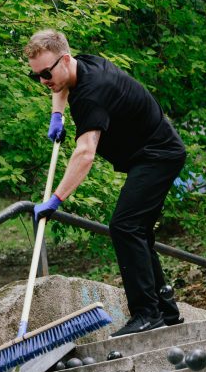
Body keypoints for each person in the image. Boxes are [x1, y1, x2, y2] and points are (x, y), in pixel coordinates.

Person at [25, 29, 187, 336]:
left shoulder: (91, 92)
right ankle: (166, 309)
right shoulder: (77, 67)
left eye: (46, 73)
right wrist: (56, 115)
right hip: (150, 152)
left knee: (124, 226)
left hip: (158, 154)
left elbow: (85, 154)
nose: (44, 82)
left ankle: (147, 313)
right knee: (136, 231)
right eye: (37, 77)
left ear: (65, 59)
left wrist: (56, 199)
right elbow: (59, 83)